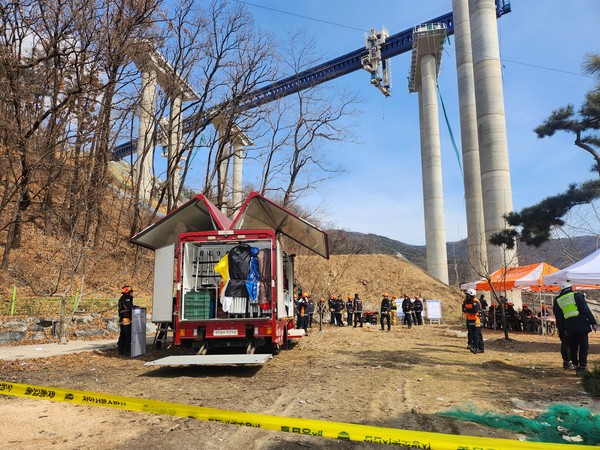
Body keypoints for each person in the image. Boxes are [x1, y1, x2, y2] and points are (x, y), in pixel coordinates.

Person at [553, 282, 598, 375]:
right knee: (584, 346)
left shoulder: (558, 300)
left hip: (569, 326)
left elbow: (559, 317)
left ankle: (576, 364)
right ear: (571, 288)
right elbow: (585, 310)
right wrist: (593, 323)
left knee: (573, 346)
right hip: (581, 324)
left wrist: (563, 329)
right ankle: (582, 366)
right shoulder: (576, 296)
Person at [463, 288, 484, 354]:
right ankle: (480, 348)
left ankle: (476, 348)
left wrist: (467, 310)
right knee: (472, 333)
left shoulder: (475, 302)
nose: (466, 296)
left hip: (476, 320)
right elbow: (463, 309)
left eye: (468, 295)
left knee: (476, 335)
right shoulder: (466, 301)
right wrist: (467, 309)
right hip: (469, 320)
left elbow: (475, 310)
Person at [117, 285, 136, 355]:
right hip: (126, 320)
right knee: (128, 335)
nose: (132, 294)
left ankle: (120, 350)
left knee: (123, 335)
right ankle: (127, 351)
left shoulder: (121, 299)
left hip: (122, 320)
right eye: (131, 292)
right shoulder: (126, 298)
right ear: (128, 292)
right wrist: (137, 308)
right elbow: (130, 307)